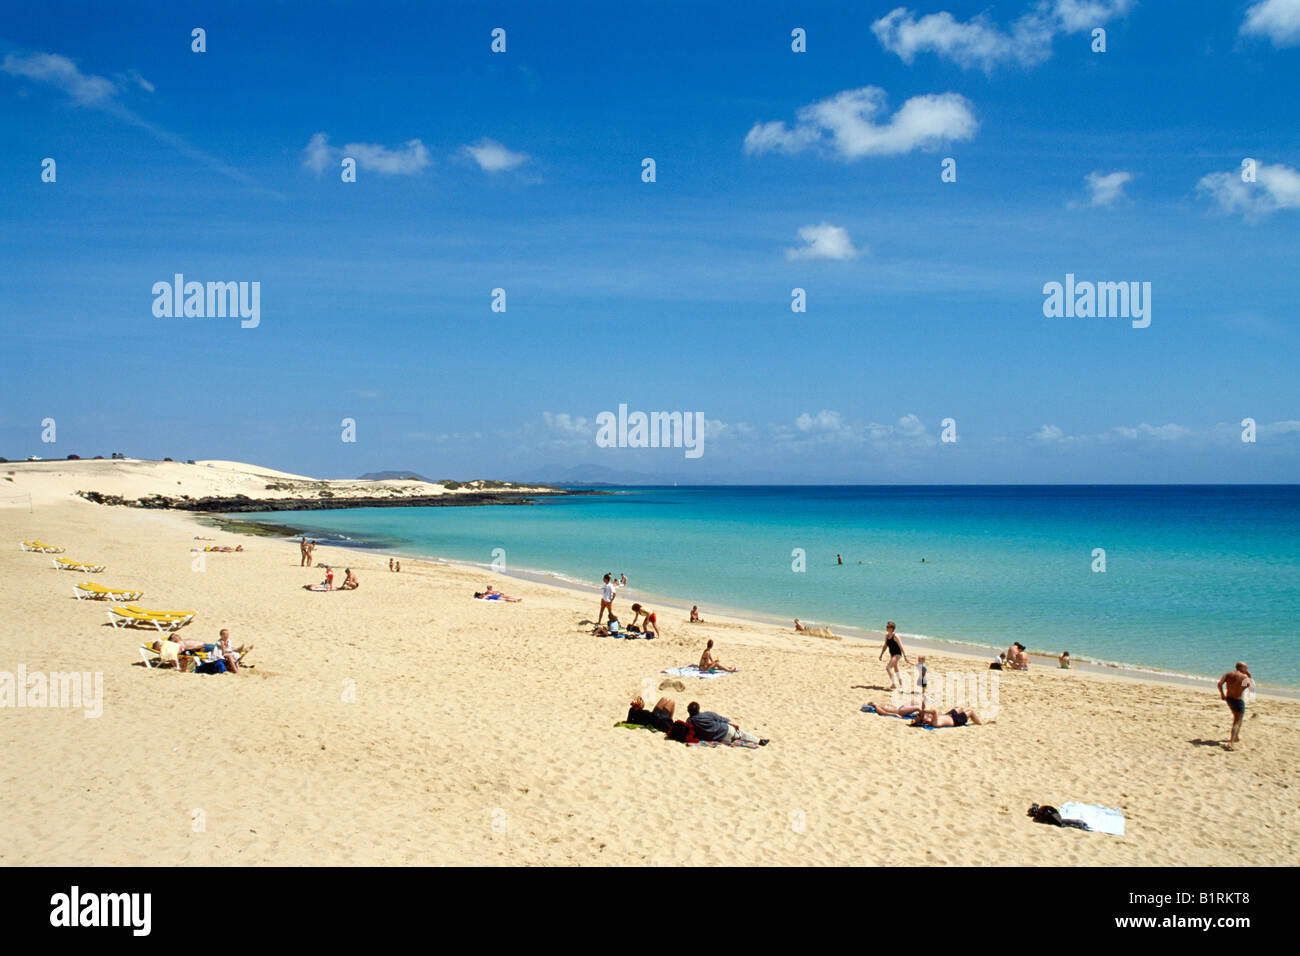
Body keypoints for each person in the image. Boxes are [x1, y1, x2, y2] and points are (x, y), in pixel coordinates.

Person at [686, 701, 768, 746]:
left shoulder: (690, 721)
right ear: (698, 709)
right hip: (726, 730)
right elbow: (722, 719)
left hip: (721, 739)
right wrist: (733, 724)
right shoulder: (708, 714)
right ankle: (759, 741)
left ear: (688, 711)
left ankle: (743, 739)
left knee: (738, 736)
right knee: (741, 734)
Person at [1217, 662, 1254, 744]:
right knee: (1237, 721)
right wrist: (1249, 676)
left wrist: (1222, 694)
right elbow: (1250, 687)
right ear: (1241, 668)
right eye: (1246, 668)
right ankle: (1232, 742)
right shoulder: (1244, 677)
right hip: (1238, 700)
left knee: (1236, 718)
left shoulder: (1228, 674)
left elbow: (1219, 684)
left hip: (1229, 699)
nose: (1247, 670)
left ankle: (1236, 737)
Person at [879, 622, 909, 689]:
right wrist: (881, 654)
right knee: (896, 669)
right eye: (886, 627)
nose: (886, 628)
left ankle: (893, 684)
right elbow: (885, 646)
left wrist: (905, 656)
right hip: (892, 654)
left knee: (888, 667)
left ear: (892, 628)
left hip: (897, 654)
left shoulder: (895, 636)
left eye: (888, 627)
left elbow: (901, 646)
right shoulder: (886, 636)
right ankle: (901, 685)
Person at [911, 705, 988, 728]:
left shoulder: (930, 719)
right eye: (924, 717)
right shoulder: (935, 723)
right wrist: (924, 711)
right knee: (970, 712)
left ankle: (977, 722)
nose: (925, 716)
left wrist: (922, 712)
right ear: (925, 721)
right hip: (955, 720)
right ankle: (980, 724)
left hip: (949, 715)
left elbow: (933, 713)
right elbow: (934, 711)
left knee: (960, 707)